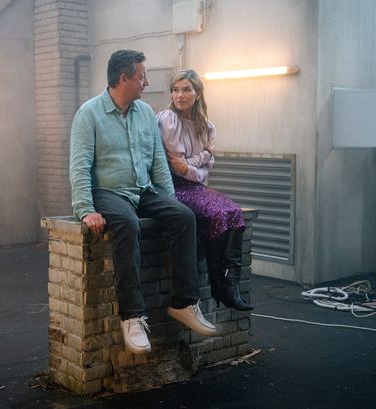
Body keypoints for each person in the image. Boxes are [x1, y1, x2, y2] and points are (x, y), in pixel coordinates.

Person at [69, 51, 217, 355]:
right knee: (127, 223)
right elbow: (79, 165)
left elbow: (159, 161)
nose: (146, 82)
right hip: (108, 191)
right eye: (142, 77)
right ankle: (132, 317)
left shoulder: (146, 113)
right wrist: (85, 209)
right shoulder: (89, 113)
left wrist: (169, 201)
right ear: (124, 78)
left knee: (184, 216)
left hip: (143, 189)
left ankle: (184, 303)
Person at [156, 69, 253, 311]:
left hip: (196, 186)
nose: (180, 95)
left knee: (234, 212)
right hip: (172, 187)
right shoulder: (168, 119)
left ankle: (230, 285)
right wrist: (203, 156)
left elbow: (202, 170)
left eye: (186, 89)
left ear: (198, 93)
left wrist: (193, 166)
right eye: (175, 90)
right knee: (216, 213)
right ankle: (218, 283)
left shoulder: (207, 127)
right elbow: (177, 168)